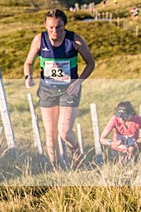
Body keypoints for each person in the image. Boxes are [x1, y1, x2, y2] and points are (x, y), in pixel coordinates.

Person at [24, 9, 95, 167]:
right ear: (45, 26)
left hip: (69, 90)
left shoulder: (75, 40)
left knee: (64, 132)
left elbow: (91, 63)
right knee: (50, 134)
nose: (55, 31)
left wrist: (78, 82)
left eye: (59, 27)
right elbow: (28, 63)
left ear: (65, 26)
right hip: (47, 90)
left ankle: (76, 151)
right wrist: (28, 76)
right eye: (51, 27)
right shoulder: (39, 39)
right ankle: (56, 168)